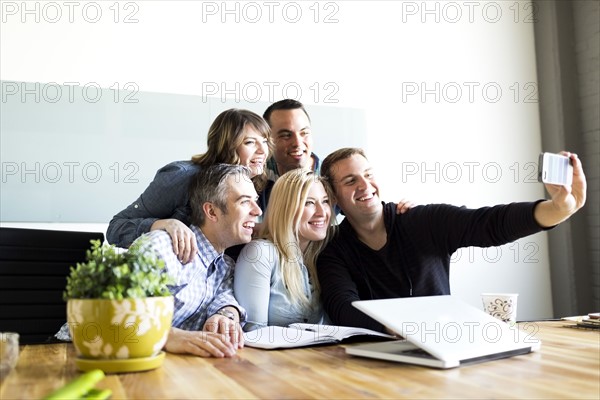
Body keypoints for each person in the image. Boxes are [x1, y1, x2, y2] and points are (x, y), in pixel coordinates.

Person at [317, 148, 587, 331]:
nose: (365, 186)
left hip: (443, 346)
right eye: (351, 180)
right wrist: (400, 329)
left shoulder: (421, 220)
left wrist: (557, 209)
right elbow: (342, 307)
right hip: (372, 357)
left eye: (368, 174)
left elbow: (489, 223)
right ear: (334, 196)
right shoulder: (334, 250)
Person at [106, 109, 271, 264]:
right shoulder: (180, 176)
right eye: (250, 142)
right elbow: (116, 229)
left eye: (264, 141)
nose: (263, 150)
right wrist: (163, 224)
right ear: (226, 145)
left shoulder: (254, 182)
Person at [133, 164, 262, 358]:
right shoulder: (160, 247)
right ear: (211, 212)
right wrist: (168, 336)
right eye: (244, 202)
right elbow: (110, 313)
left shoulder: (224, 267)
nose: (258, 211)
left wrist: (225, 316)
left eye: (256, 201)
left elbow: (225, 299)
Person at [234, 169, 336, 331]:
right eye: (309, 203)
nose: (322, 212)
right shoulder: (260, 253)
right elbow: (252, 332)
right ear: (286, 208)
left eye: (324, 201)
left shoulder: (324, 254)